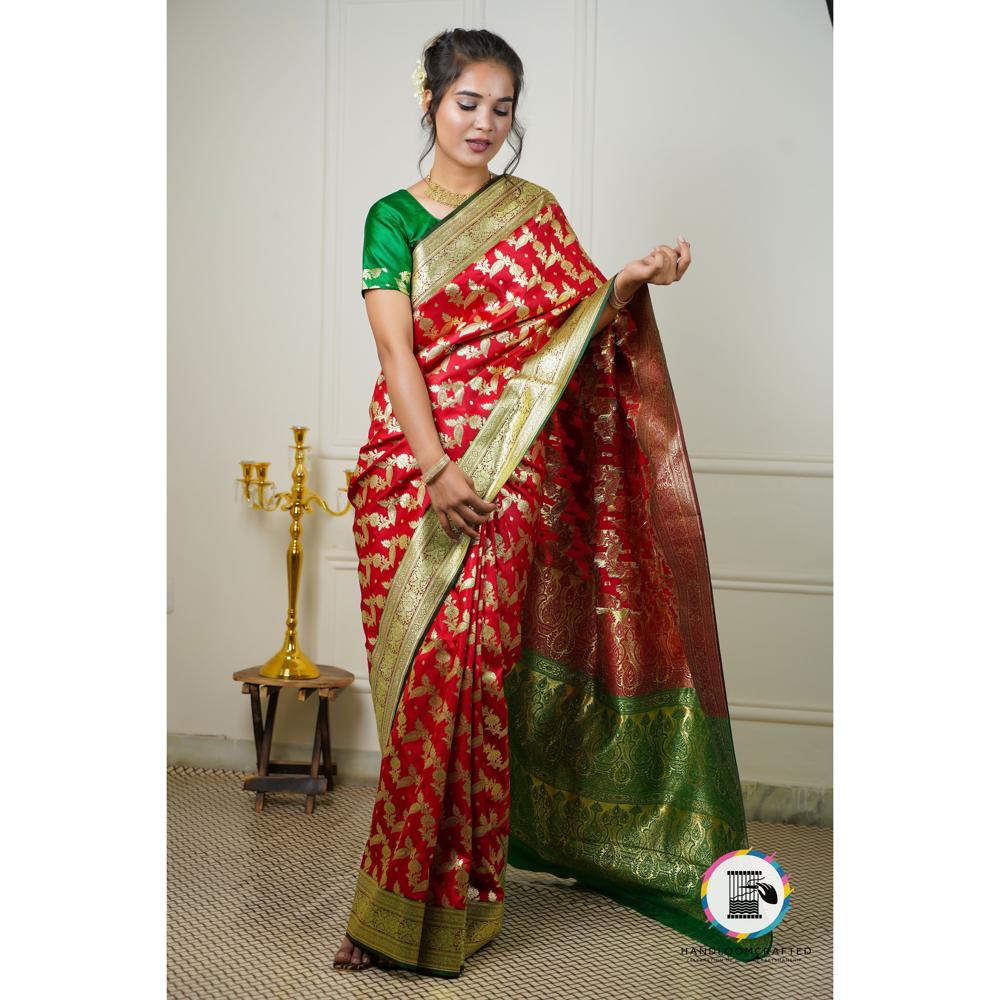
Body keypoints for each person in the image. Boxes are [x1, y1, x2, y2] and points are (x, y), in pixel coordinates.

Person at [334, 27, 771, 977]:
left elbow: (575, 322)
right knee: (418, 692)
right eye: (467, 104)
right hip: (411, 471)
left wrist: (631, 279)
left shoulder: (533, 212)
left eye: (501, 107)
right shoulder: (392, 220)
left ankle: (457, 902)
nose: (485, 123)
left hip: (507, 474)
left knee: (473, 680)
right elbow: (397, 354)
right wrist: (438, 463)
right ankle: (391, 911)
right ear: (430, 101)